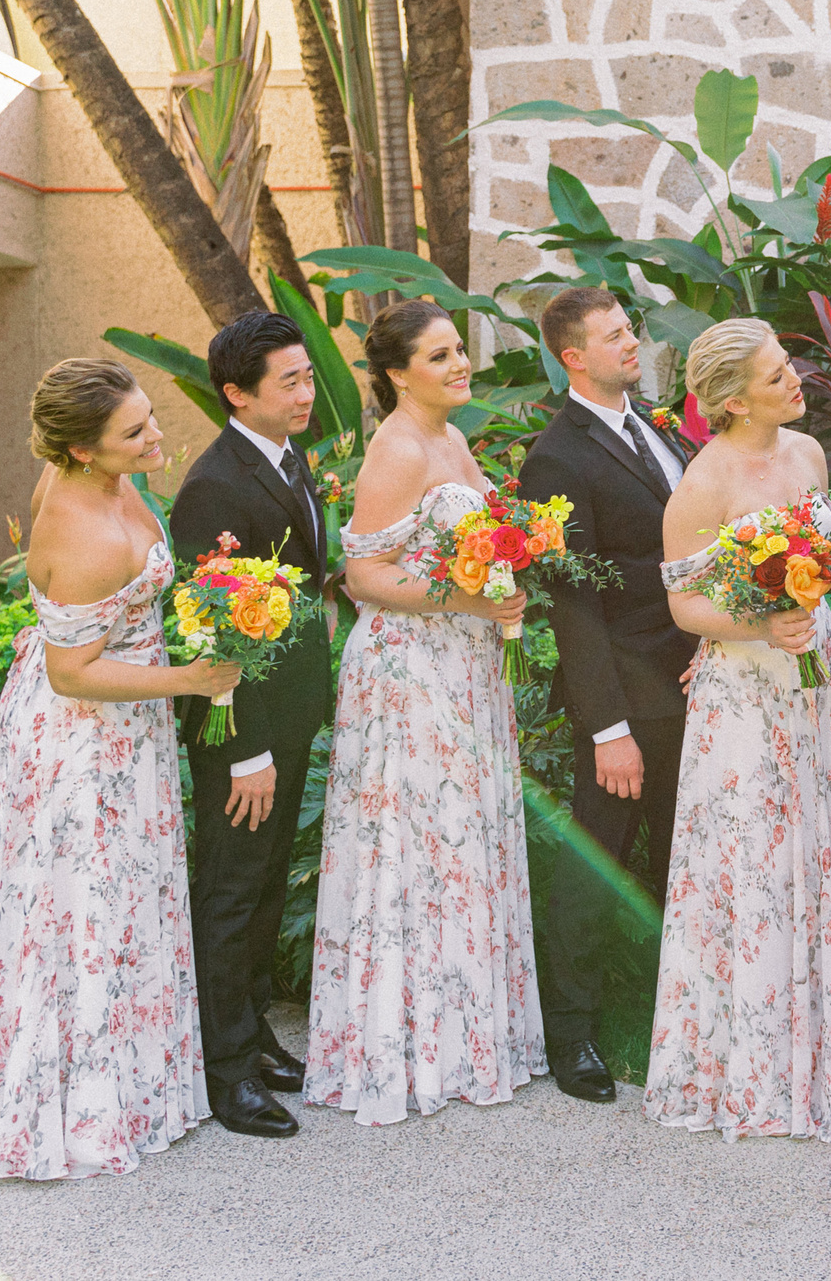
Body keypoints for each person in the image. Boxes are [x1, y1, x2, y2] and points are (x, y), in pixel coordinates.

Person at [0, 360, 231, 1179]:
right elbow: (72, 672)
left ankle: (137, 1089)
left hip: (126, 731)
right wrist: (191, 680)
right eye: (133, 432)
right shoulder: (82, 528)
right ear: (80, 449)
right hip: (79, 742)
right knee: (78, 908)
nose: (155, 436)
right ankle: (68, 1109)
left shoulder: (99, 476)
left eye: (149, 417)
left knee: (127, 900)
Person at [646, 318, 831, 1139]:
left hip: (816, 678)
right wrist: (757, 628)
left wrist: (801, 618)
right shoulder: (704, 482)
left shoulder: (809, 455)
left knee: (822, 850)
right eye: (779, 372)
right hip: (744, 693)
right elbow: (682, 602)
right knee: (753, 861)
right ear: (730, 398)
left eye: (790, 365)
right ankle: (747, 1066)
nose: (797, 379)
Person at [303, 300, 543, 1124]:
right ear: (397, 373)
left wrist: (501, 583)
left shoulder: (455, 440)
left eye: (458, 350)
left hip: (465, 664)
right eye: (439, 356)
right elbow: (364, 578)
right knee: (414, 845)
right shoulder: (398, 448)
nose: (458, 364)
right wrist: (473, 599)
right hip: (409, 674)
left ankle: (467, 1032)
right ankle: (401, 1043)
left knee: (460, 838)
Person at [519, 287, 694, 1104]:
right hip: (626, 696)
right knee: (597, 865)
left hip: (696, 682)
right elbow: (572, 600)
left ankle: (688, 1017)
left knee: (684, 861)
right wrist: (608, 726)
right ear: (572, 356)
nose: (632, 342)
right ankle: (572, 1035)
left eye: (631, 328)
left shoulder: (659, 429)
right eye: (614, 335)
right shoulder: (556, 457)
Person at [166, 312, 333, 1141]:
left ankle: (252, 1031)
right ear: (237, 393)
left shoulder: (287, 457)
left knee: (265, 884)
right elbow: (211, 630)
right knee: (231, 890)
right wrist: (249, 752)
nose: (308, 391)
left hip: (290, 711)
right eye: (291, 381)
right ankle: (223, 1069)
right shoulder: (213, 485)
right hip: (241, 732)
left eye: (308, 375)